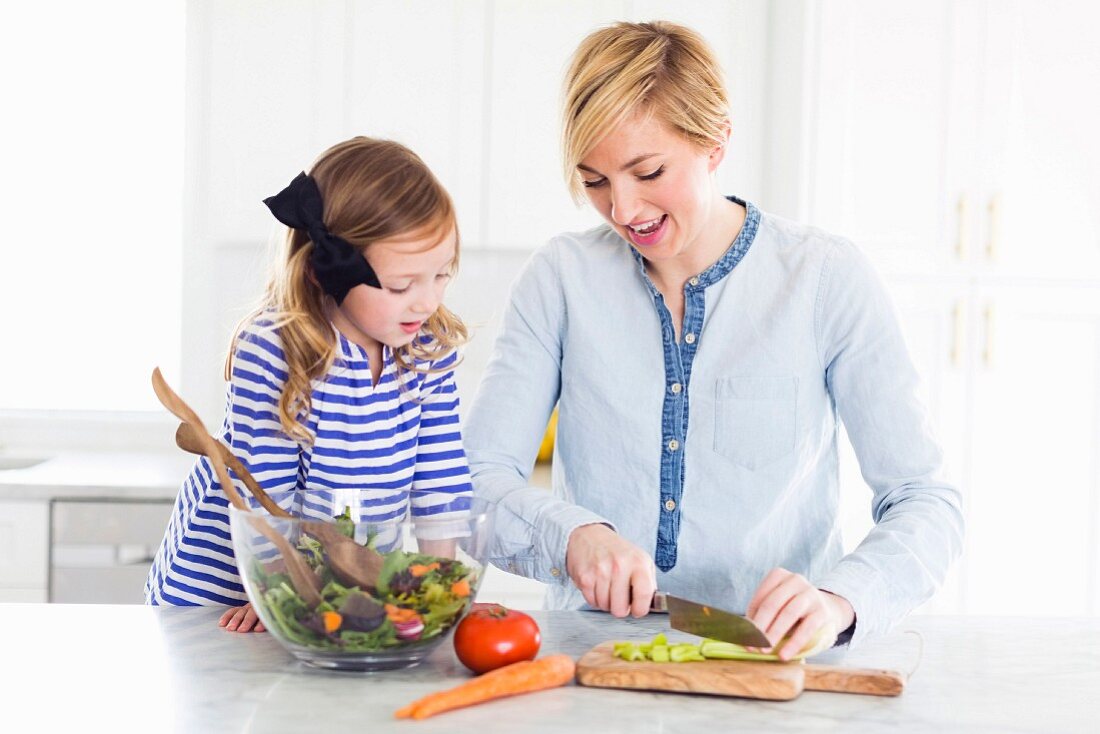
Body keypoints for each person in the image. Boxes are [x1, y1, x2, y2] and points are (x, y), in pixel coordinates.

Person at [464, 21, 964, 657]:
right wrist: (571, 534)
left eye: (647, 171)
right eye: (594, 181)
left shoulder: (823, 279)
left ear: (716, 141)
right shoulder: (561, 279)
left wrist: (839, 601)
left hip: (770, 662)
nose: (622, 209)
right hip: (596, 661)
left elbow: (926, 500)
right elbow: (475, 480)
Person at [145, 137, 474, 632]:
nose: (426, 302)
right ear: (324, 272)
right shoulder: (278, 348)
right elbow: (264, 486)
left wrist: (442, 583)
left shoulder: (426, 352)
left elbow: (440, 477)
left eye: (441, 276)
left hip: (332, 588)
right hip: (228, 592)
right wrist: (270, 587)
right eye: (402, 285)